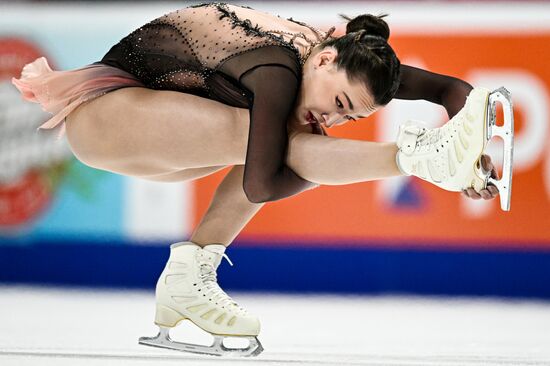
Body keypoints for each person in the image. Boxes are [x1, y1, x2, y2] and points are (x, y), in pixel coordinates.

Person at [12, 2, 502, 357]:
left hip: (162, 131)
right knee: (274, 139)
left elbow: (452, 89)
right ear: (327, 60)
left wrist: (472, 150)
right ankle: (418, 159)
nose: (332, 118)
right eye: (339, 106)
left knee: (281, 137)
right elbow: (263, 185)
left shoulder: (350, 58)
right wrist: (424, 161)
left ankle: (187, 277)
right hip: (106, 121)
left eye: (347, 117)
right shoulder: (277, 70)